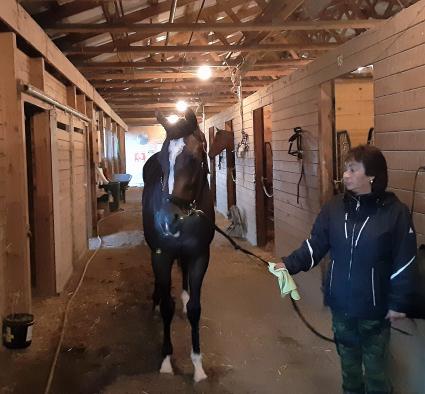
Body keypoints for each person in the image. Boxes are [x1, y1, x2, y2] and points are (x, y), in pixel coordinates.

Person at [275, 145, 416, 394]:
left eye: (353, 169)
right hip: (341, 306)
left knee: (376, 375)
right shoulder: (334, 208)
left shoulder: (395, 213)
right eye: (345, 169)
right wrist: (289, 264)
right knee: (349, 372)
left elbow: (404, 261)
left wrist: (399, 302)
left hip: (374, 310)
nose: (346, 175)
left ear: (372, 175)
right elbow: (316, 244)